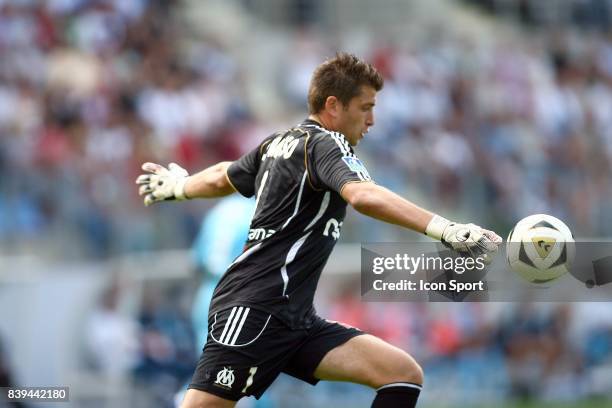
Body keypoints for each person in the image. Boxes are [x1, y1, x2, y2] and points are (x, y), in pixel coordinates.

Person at [136, 52, 502, 408]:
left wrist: (180, 187)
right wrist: (446, 229)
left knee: (401, 373)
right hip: (255, 308)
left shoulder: (278, 143)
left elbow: (223, 175)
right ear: (333, 106)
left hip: (295, 320)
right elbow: (362, 195)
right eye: (365, 107)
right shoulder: (327, 143)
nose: (372, 120)